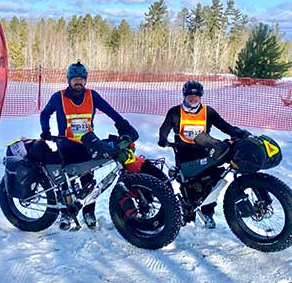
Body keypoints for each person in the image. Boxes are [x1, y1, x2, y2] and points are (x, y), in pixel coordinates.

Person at [39, 61, 138, 230]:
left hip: (88, 143)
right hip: (66, 144)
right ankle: (66, 212)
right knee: (65, 180)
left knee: (88, 179)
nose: (78, 82)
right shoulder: (58, 97)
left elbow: (110, 111)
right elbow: (45, 114)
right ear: (69, 80)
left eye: (81, 79)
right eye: (75, 79)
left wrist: (123, 125)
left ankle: (88, 212)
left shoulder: (93, 96)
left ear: (85, 80)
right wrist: (46, 131)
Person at [158, 80, 249, 228]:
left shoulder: (208, 111)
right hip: (183, 150)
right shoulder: (175, 111)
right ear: (184, 96)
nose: (193, 99)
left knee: (212, 180)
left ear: (201, 97)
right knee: (188, 182)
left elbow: (224, 126)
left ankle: (208, 212)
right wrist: (163, 139)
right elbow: (165, 127)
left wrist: (237, 132)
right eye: (190, 96)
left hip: (205, 149)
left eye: (196, 96)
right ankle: (188, 215)